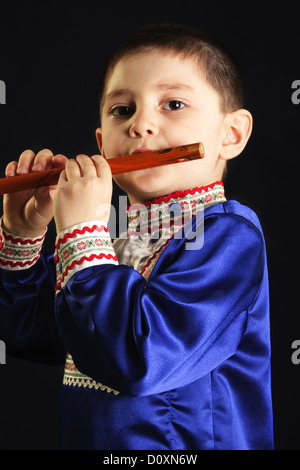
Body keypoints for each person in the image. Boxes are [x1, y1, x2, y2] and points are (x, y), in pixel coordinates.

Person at [0, 23, 274, 450]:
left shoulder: (229, 235)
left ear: (231, 134)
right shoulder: (109, 234)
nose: (141, 124)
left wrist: (81, 233)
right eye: (122, 110)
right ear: (100, 143)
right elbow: (27, 334)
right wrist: (24, 233)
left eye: (174, 104)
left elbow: (141, 361)